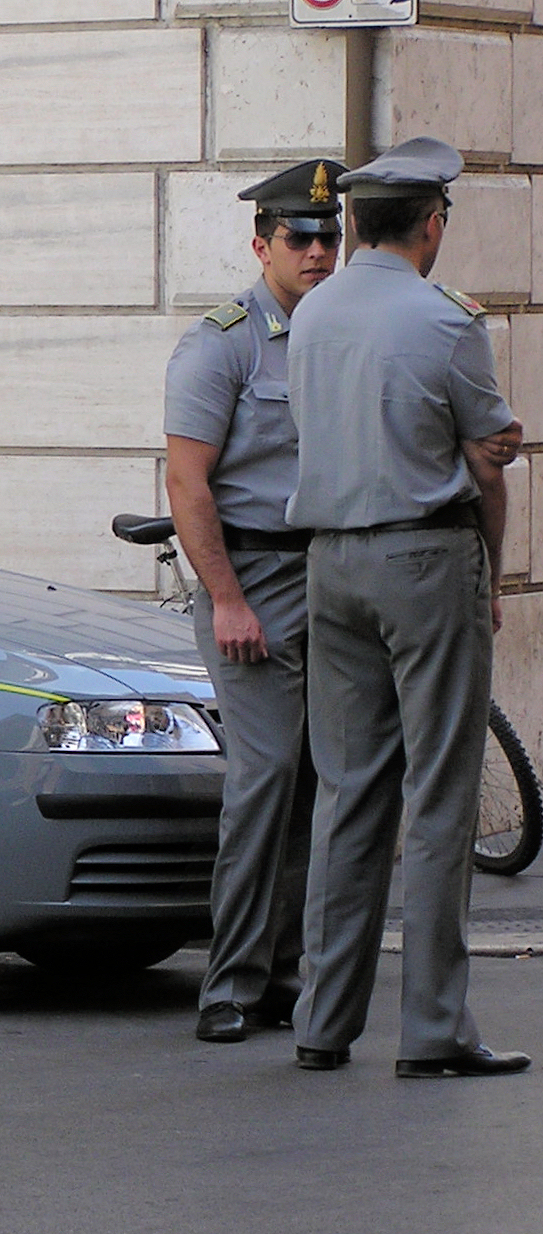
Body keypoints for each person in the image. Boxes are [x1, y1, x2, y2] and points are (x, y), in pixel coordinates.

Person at [284, 136, 528, 1077]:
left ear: (352, 223)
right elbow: (485, 454)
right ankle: (433, 1031)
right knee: (437, 798)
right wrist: (495, 575)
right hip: (423, 560)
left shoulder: (310, 315)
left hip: (331, 564)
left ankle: (323, 1021)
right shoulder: (445, 322)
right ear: (433, 225)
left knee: (347, 796)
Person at [165, 158, 344, 1045]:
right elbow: (188, 483)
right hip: (256, 581)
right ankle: (229, 985)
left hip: (334, 576)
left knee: (320, 782)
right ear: (261, 244)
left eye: (329, 236)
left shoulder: (341, 333)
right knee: (265, 779)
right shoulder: (224, 340)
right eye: (299, 238)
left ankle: (283, 975)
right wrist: (227, 599)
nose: (318, 251)